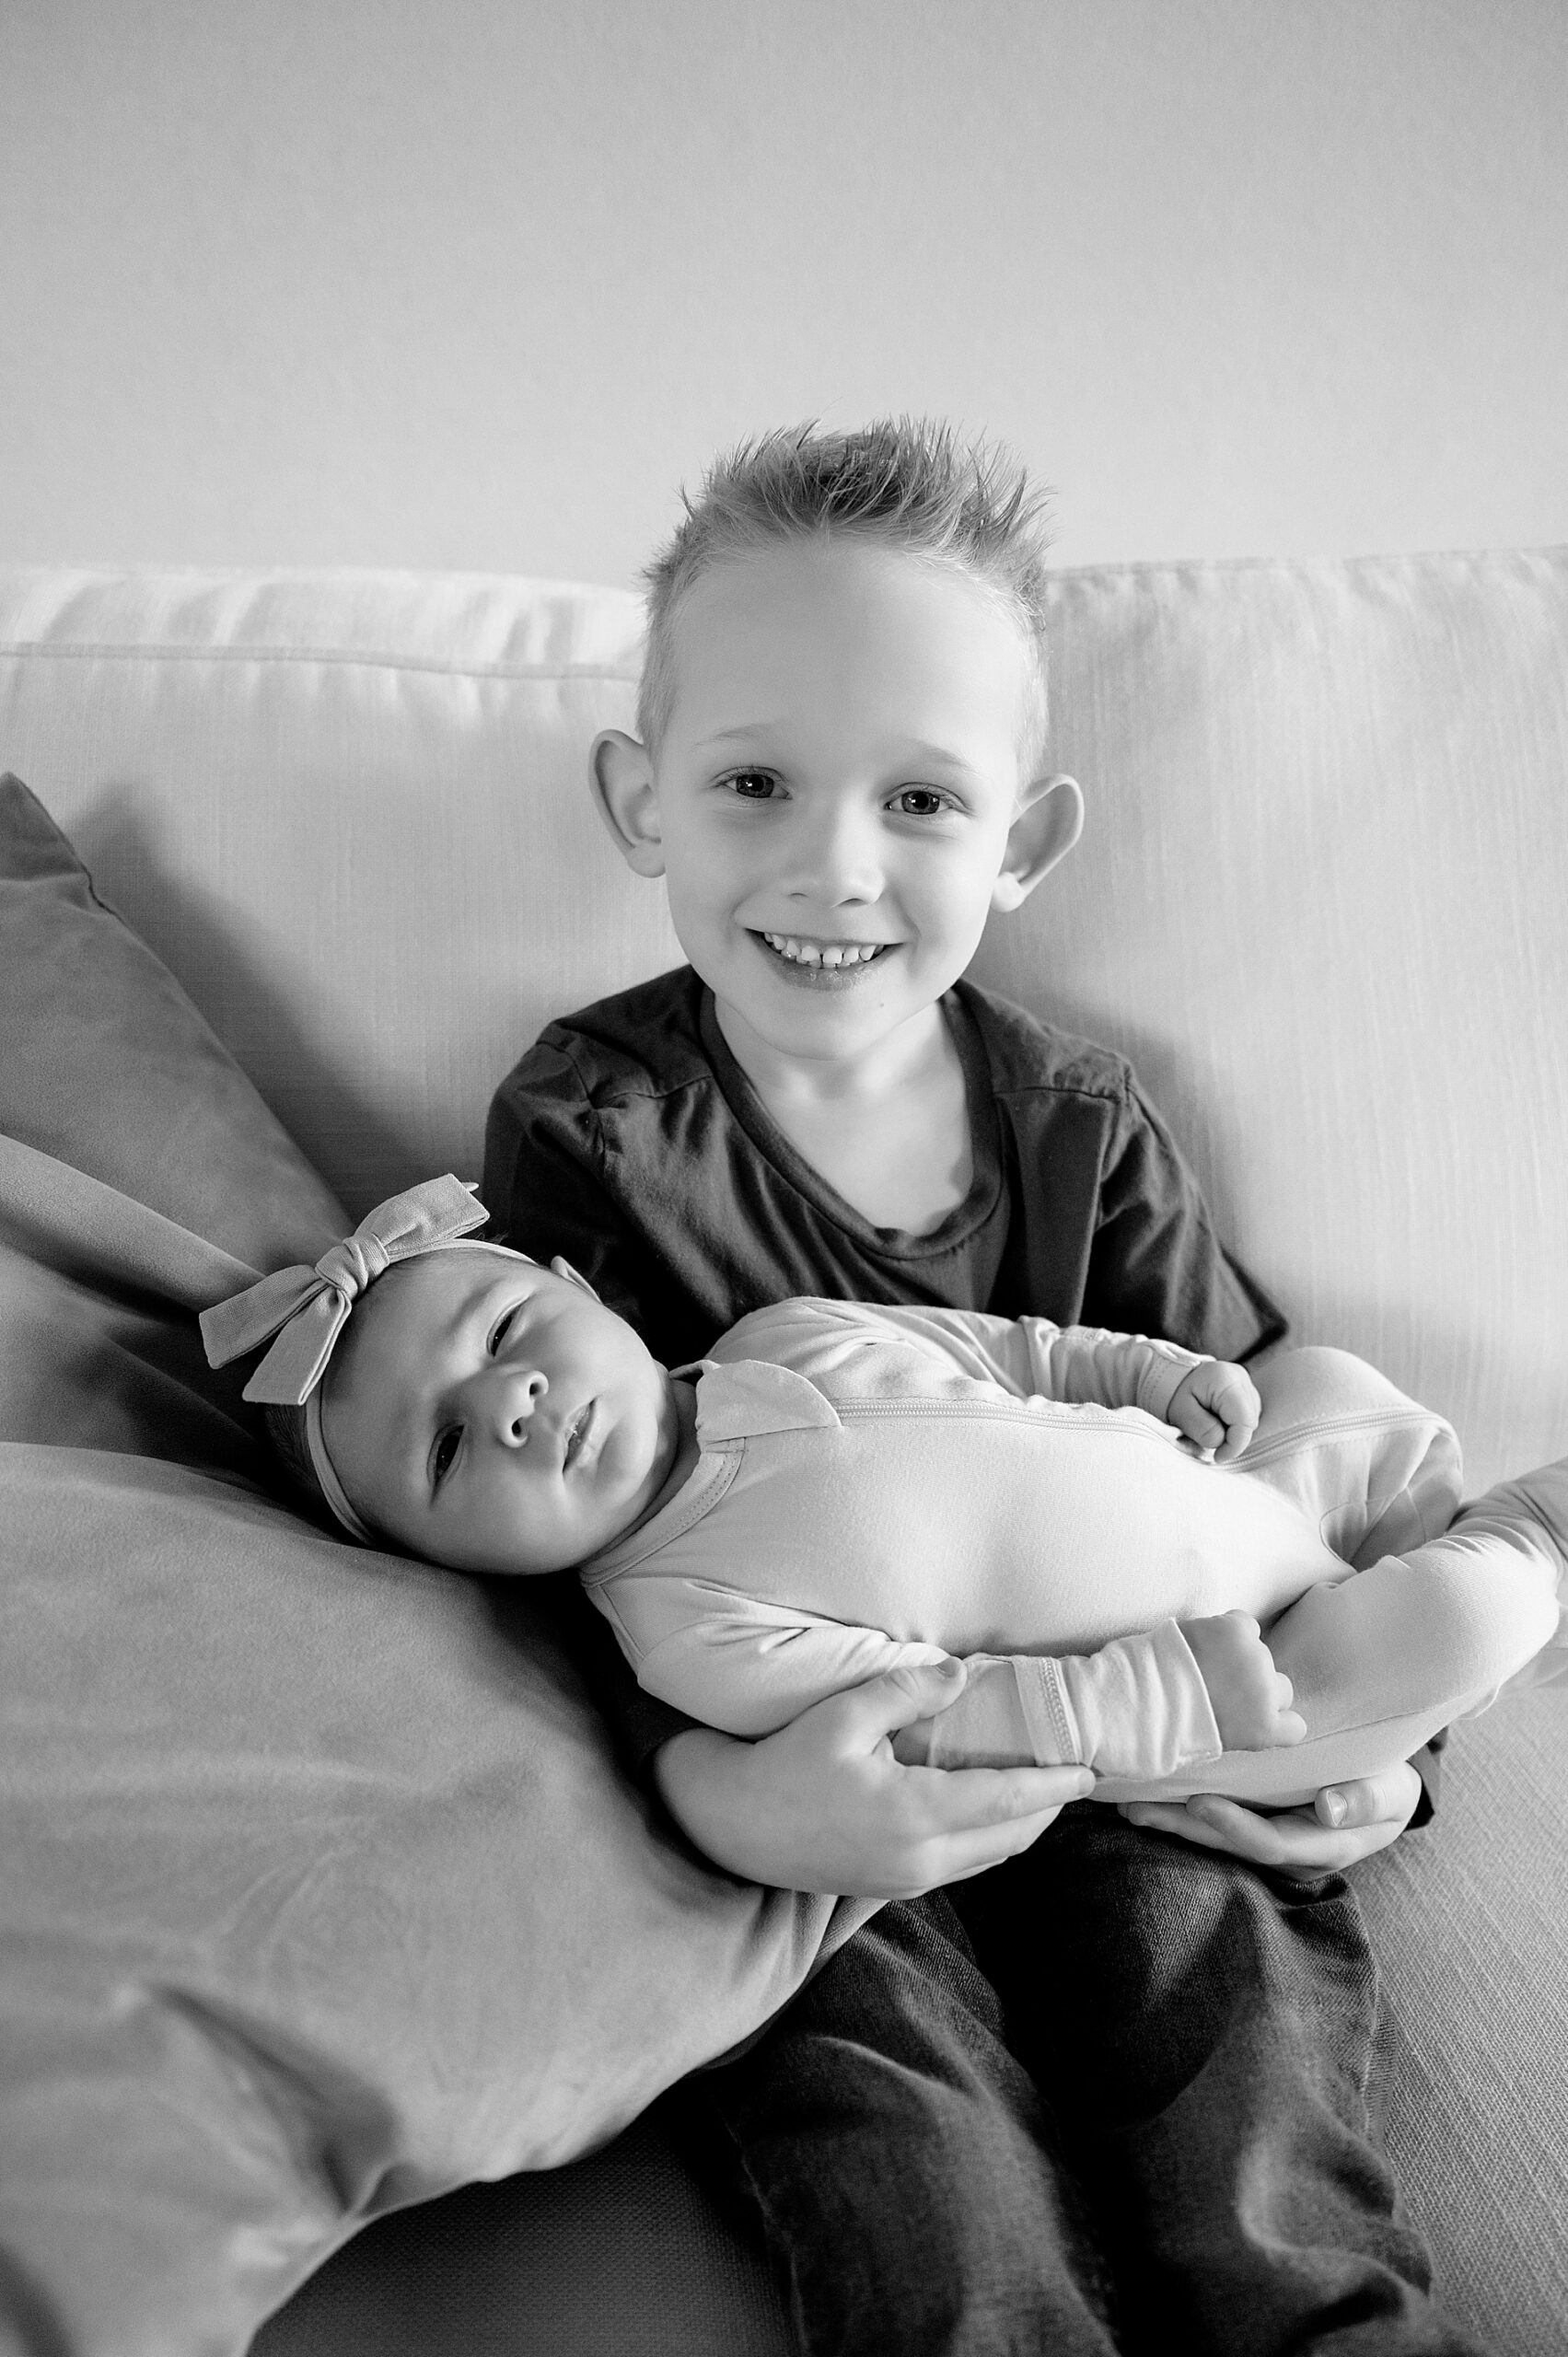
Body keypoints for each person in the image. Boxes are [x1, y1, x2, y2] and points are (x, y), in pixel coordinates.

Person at [471, 419, 1487, 2353]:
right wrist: (724, 1787)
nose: (831, 866)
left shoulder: (1078, 1129)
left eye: (921, 800)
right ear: (642, 802)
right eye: (755, 780)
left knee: (1243, 2103)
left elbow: (1255, 1452)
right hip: (835, 1782)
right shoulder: (595, 1129)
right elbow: (537, 1502)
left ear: (1019, 844)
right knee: (897, 2141)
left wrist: (1364, 1742)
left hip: (1143, 1737)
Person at [202, 1178, 1565, 2357]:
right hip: (1227, 1692)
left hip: (1238, 1498)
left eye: (505, 1333)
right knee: (1455, 1617)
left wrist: (1148, 1373)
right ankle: (1535, 1546)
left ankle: (1469, 1544)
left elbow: (1008, 1353)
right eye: (446, 1447)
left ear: (575, 1282)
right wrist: (1149, 1694)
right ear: (444, 1568)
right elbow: (935, 1714)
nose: (512, 1404)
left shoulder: (784, 1334)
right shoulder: (682, 1621)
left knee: (1326, 1385)